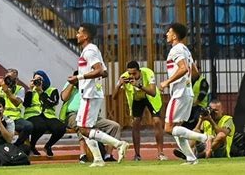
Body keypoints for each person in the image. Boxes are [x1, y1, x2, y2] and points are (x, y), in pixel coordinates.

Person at [67, 23, 129, 167]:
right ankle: (98, 159)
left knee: (84, 129)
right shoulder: (91, 50)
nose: (76, 34)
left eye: (79, 32)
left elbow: (99, 70)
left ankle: (118, 144)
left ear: (86, 36)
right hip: (90, 93)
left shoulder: (89, 51)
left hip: (90, 94)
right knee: (83, 128)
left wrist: (79, 78)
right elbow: (105, 72)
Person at [160, 23, 211, 165]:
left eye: (169, 32)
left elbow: (183, 69)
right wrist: (187, 82)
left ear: (175, 35)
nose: (167, 35)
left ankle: (204, 138)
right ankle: (191, 158)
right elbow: (194, 72)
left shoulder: (175, 50)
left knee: (169, 128)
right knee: (177, 128)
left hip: (179, 93)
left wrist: (167, 82)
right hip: (186, 92)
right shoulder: (186, 50)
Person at [60, 73, 121, 163]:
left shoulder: (92, 85)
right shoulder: (70, 84)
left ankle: (108, 155)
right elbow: (63, 98)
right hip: (72, 114)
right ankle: (83, 155)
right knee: (81, 124)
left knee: (114, 126)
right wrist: (72, 84)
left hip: (91, 115)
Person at [113, 61, 166, 161]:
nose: (132, 76)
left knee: (157, 121)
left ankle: (160, 153)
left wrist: (139, 85)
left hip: (150, 97)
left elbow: (153, 92)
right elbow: (114, 97)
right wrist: (119, 85)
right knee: (135, 123)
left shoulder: (148, 73)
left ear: (139, 71)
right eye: (130, 73)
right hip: (136, 99)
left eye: (134, 73)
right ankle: (137, 155)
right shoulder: (124, 77)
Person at [23, 70, 66, 157]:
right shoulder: (31, 91)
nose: (37, 81)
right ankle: (32, 145)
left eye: (39, 79)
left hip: (49, 116)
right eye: (35, 79)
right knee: (40, 125)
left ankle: (48, 145)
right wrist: (30, 91)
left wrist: (41, 92)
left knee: (61, 128)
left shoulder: (52, 90)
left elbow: (52, 103)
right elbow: (26, 104)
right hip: (33, 115)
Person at [0, 69, 33, 148]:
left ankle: (16, 146)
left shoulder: (20, 89)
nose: (10, 80)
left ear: (16, 80)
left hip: (15, 118)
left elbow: (16, 103)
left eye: (13, 78)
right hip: (1, 116)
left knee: (28, 126)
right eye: (8, 78)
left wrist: (7, 91)